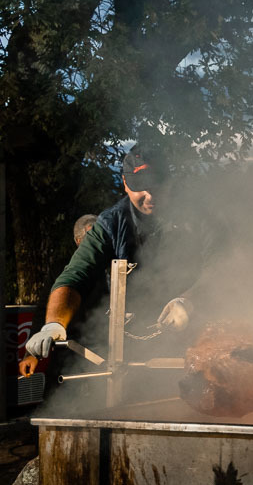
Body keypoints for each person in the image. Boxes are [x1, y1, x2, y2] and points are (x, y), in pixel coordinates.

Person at [21, 146, 214, 377]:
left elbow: (222, 266)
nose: (149, 196)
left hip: (194, 337)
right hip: (132, 345)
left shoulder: (198, 217)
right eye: (139, 187)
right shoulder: (111, 223)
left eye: (156, 186)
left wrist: (188, 301)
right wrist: (53, 324)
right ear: (125, 183)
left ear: (170, 181)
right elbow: (75, 276)